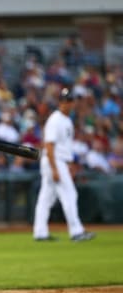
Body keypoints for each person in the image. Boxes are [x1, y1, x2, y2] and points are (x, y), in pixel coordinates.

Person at [33, 88, 96, 242]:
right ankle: (76, 231)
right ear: (60, 102)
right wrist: (55, 168)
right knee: (69, 194)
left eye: (69, 100)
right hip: (53, 160)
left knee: (46, 199)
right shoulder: (56, 119)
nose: (67, 103)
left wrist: (69, 165)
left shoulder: (67, 120)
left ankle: (40, 232)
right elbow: (48, 145)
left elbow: (64, 147)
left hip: (59, 161)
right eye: (64, 100)